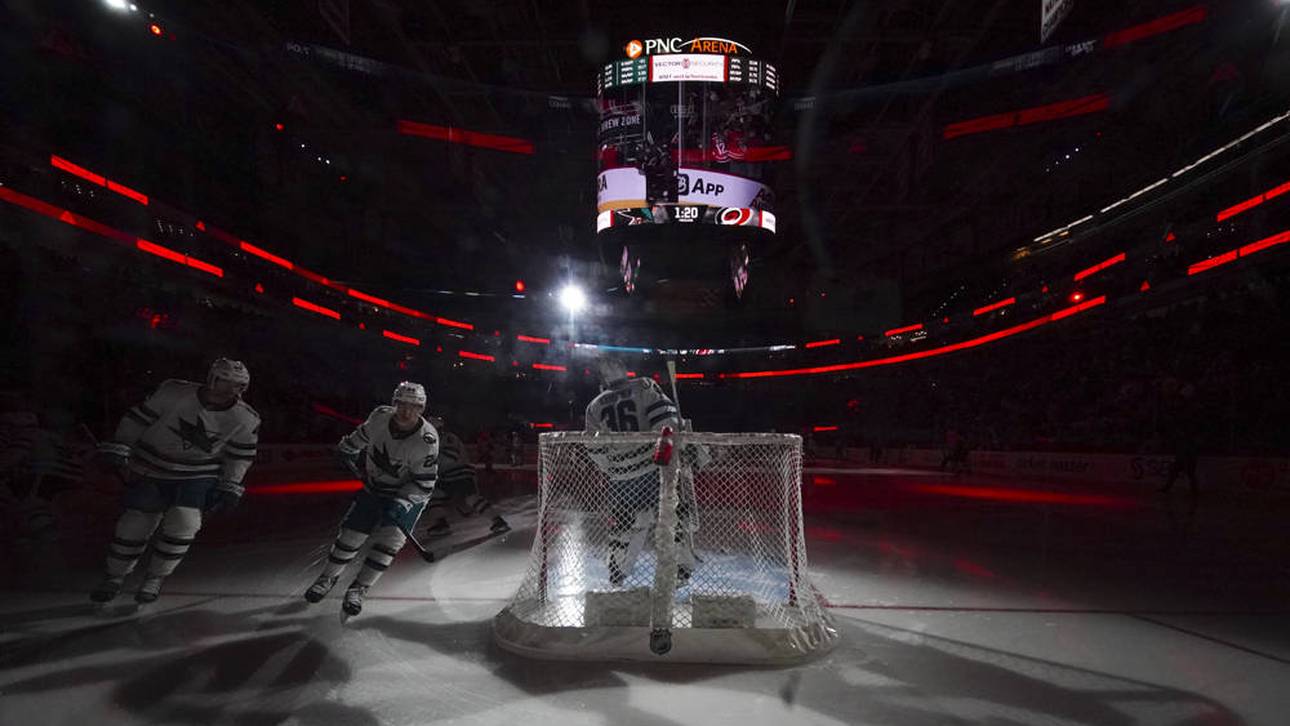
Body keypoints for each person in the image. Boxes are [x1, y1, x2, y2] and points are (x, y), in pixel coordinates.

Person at [89, 358, 259, 604]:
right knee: (135, 523)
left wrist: (231, 484)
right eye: (223, 381)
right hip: (151, 468)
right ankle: (115, 576)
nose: (227, 389)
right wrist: (122, 443)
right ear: (211, 378)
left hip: (197, 475)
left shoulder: (245, 418)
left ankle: (155, 577)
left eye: (235, 385)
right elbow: (138, 419)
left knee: (184, 523)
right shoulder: (174, 392)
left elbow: (240, 456)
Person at [304, 382, 438, 618]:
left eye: (413, 406)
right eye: (402, 404)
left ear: (421, 409)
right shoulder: (379, 417)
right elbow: (361, 437)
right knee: (351, 535)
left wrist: (402, 504)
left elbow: (424, 483)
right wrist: (348, 448)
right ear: (394, 403)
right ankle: (328, 578)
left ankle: (360, 588)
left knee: (390, 541)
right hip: (374, 487)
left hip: (407, 494)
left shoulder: (426, 440)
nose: (406, 411)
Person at [584, 357, 691, 586]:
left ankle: (617, 570)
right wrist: (672, 454)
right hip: (653, 469)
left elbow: (594, 448)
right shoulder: (644, 385)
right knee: (672, 516)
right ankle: (680, 569)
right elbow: (666, 424)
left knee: (624, 523)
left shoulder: (594, 405)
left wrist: (613, 468)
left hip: (621, 477)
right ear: (624, 369)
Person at [422, 415, 509, 538]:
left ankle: (498, 520)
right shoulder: (437, 440)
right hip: (447, 476)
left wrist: (429, 462)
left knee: (471, 498)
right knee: (435, 497)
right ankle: (441, 523)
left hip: (460, 474)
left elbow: (449, 456)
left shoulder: (448, 438)